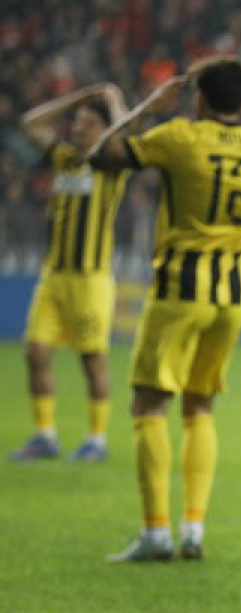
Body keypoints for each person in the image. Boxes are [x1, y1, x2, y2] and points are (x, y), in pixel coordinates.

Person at [87, 57, 241, 561]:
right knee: (200, 406)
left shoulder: (180, 137)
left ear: (200, 99)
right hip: (232, 296)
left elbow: (103, 154)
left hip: (178, 290)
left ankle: (155, 533)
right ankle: (193, 527)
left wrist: (148, 106)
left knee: (149, 405)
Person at [10, 83, 130, 463]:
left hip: (90, 279)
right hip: (54, 276)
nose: (78, 128)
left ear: (104, 131)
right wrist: (79, 98)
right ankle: (45, 435)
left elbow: (124, 134)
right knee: (36, 352)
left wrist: (112, 101)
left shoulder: (111, 164)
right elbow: (29, 123)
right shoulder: (63, 157)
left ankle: (96, 439)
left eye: (88, 123)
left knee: (91, 359)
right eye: (77, 122)